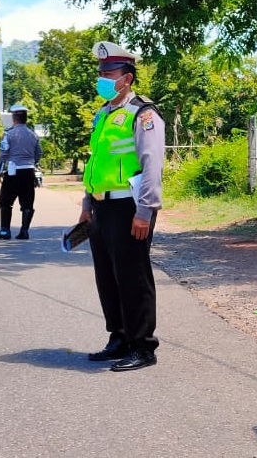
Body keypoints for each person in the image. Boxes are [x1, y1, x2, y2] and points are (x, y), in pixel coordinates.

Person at [79, 40, 165, 372]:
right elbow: (95, 163)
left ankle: (142, 346)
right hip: (102, 207)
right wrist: (88, 203)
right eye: (100, 73)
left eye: (109, 73)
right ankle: (118, 337)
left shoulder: (143, 113)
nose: (102, 78)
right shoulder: (104, 115)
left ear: (126, 77)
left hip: (131, 206)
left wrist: (146, 210)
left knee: (132, 275)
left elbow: (151, 163)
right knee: (108, 276)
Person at [0, 103, 43, 240]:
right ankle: (24, 231)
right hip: (28, 172)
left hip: (13, 172)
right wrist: (32, 163)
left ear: (14, 118)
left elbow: (3, 154)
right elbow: (39, 153)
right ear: (26, 118)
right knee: (27, 203)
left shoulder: (8, 134)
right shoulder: (33, 135)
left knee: (5, 202)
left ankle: (5, 231)